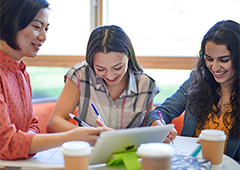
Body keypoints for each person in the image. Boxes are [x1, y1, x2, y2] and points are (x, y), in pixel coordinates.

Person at [0, 0, 108, 160]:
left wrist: (25, 141)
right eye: (37, 27)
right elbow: (7, 144)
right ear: (11, 21)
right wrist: (72, 136)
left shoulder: (21, 72)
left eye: (46, 29)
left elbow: (33, 125)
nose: (43, 37)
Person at [146, 20, 240, 162]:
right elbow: (159, 112)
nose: (214, 67)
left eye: (224, 60)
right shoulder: (196, 80)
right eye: (209, 59)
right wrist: (159, 126)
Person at [47, 25, 160, 133]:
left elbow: (147, 130)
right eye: (100, 69)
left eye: (117, 67)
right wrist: (90, 134)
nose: (110, 75)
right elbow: (54, 123)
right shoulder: (81, 75)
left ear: (129, 57)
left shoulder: (146, 85)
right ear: (91, 62)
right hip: (90, 150)